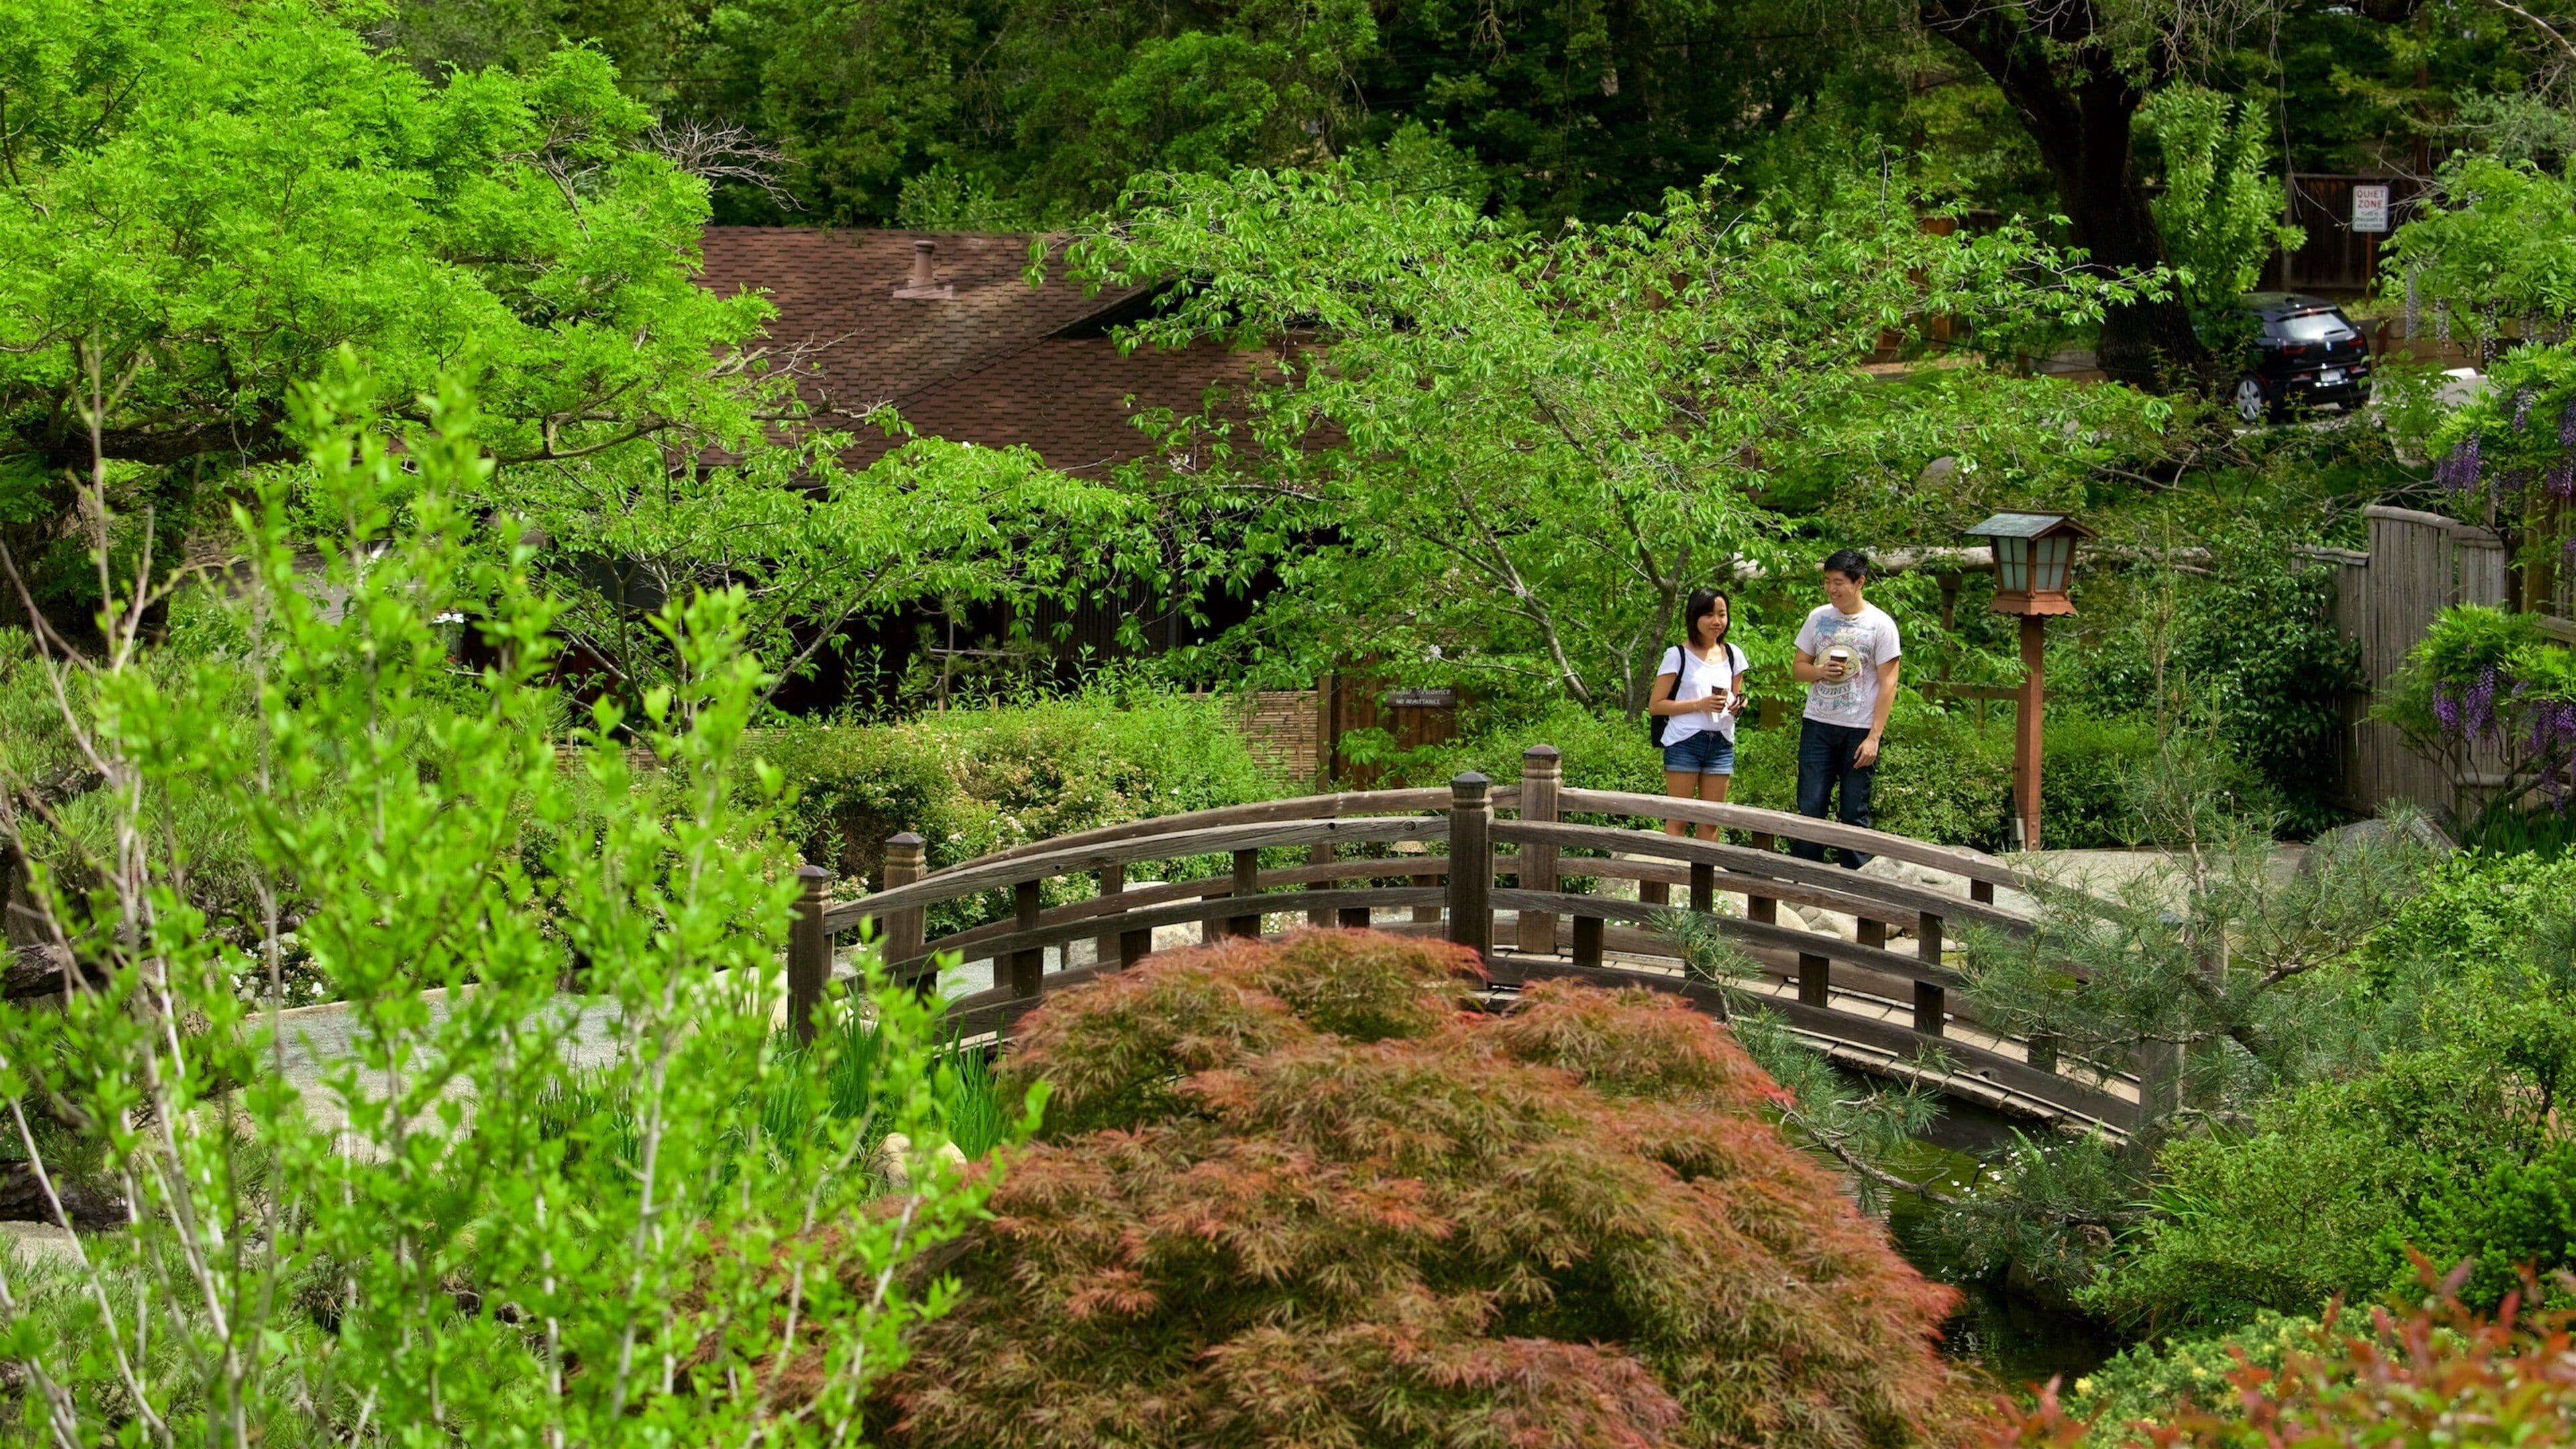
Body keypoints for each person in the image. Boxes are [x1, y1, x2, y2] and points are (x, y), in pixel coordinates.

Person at [1789, 549, 1900, 869]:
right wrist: (1820, 671)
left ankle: (1855, 885)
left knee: (1854, 810)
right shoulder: (1818, 618)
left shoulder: (1881, 625)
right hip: (1818, 723)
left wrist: (1874, 737)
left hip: (1859, 728)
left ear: (1860, 582)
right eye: (1827, 582)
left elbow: (1889, 683)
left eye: (1839, 582)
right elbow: (1798, 669)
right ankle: (1805, 878)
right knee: (1810, 805)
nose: (1832, 589)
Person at [1647, 588, 1750, 843]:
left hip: (1722, 742)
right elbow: (1656, 705)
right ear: (1694, 617)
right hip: (1685, 741)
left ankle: (1704, 881)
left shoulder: (1734, 654)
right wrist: (1700, 704)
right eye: (1709, 614)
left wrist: (1740, 705)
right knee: (1679, 818)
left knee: (1711, 821)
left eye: (1722, 614)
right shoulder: (1677, 655)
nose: (1717, 621)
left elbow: (1736, 696)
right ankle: (1673, 877)